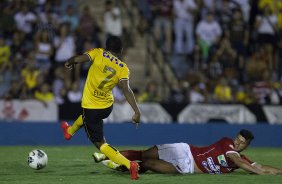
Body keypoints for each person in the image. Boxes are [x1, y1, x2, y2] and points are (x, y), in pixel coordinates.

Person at [61, 36, 141, 180]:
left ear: (106, 47)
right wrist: (136, 111)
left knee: (101, 144)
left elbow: (78, 59)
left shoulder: (98, 53)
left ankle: (130, 165)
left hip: (92, 107)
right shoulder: (123, 68)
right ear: (121, 50)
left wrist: (69, 62)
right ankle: (69, 131)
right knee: (86, 117)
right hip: (107, 106)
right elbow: (126, 89)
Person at [93, 129, 282, 175]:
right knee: (145, 154)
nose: (237, 144)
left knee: (149, 165)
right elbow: (241, 163)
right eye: (237, 140)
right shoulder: (227, 143)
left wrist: (279, 171)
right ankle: (107, 154)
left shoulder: (242, 157)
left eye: (241, 143)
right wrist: (256, 171)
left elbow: (261, 166)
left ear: (246, 145)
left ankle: (121, 166)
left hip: (187, 168)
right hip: (185, 150)